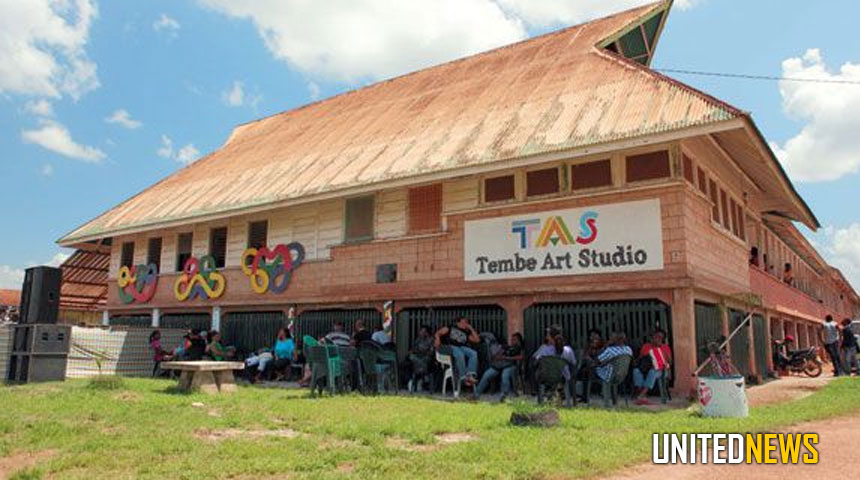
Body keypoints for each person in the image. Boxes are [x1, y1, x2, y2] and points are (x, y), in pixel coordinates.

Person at [474, 332, 524, 401]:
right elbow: (497, 355)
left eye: (514, 339)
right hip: (499, 365)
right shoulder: (507, 347)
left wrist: (507, 358)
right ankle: (476, 395)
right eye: (511, 339)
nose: (512, 341)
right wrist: (498, 355)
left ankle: (503, 397)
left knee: (505, 376)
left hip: (510, 365)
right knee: (486, 375)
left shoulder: (520, 348)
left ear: (519, 340)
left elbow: (521, 357)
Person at [434, 317, 480, 387]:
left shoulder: (466, 333)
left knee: (473, 353)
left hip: (460, 347)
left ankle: (470, 375)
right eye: (464, 322)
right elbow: (438, 333)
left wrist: (471, 328)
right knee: (459, 353)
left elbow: (477, 340)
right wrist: (437, 339)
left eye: (467, 322)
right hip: (449, 346)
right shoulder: (450, 327)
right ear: (458, 323)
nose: (466, 324)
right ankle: (463, 378)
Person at [632, 330, 672, 405]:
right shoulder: (646, 346)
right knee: (636, 371)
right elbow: (641, 358)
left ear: (663, 339)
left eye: (660, 337)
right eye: (656, 336)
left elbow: (670, 361)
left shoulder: (665, 347)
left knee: (652, 372)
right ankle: (643, 394)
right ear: (652, 337)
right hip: (646, 368)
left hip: (661, 370)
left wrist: (661, 351)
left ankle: (641, 395)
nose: (658, 339)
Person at [408, 325, 434, 392]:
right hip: (417, 357)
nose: (421, 333)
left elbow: (431, 352)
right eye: (421, 331)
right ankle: (422, 375)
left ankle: (422, 374)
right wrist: (413, 352)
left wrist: (423, 352)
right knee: (412, 357)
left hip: (426, 358)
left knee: (425, 360)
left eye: (423, 331)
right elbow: (413, 349)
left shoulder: (431, 340)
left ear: (427, 333)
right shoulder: (418, 340)